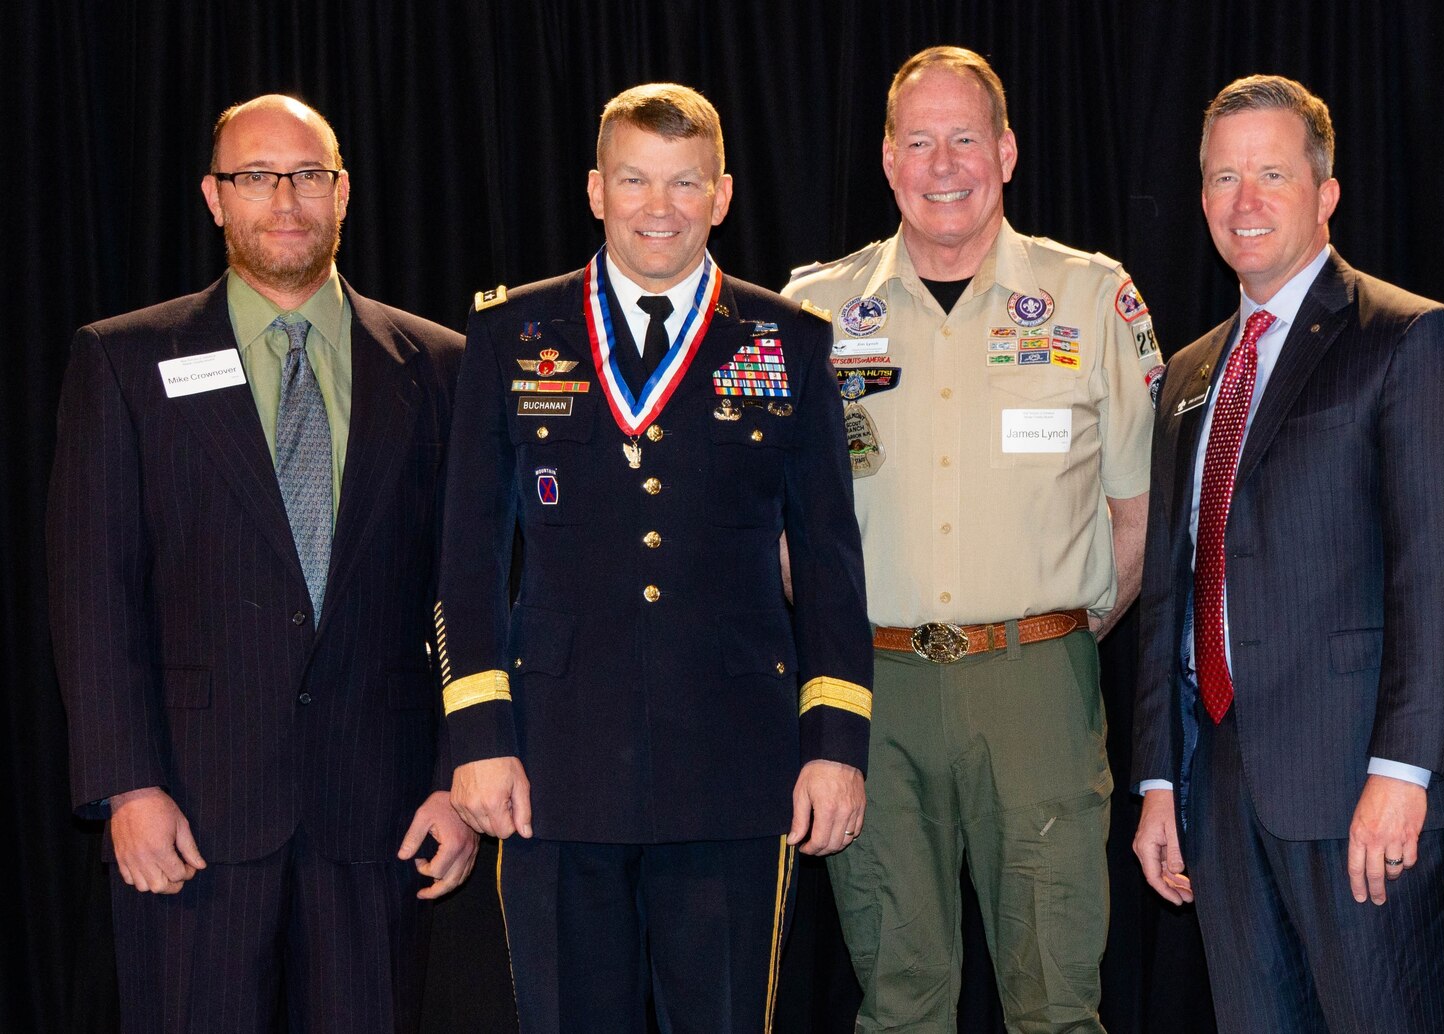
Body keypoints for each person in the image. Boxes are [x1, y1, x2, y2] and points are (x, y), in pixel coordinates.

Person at [435, 83, 871, 1033]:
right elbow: (468, 557)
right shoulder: (515, 334)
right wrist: (478, 739)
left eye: (685, 182)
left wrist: (836, 747)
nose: (659, 207)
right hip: (555, 763)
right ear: (596, 190)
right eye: (635, 179)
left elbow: (832, 564)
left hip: (734, 763)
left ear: (722, 194)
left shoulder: (789, 341)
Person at [46, 94, 474, 1033]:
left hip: (385, 813)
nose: (284, 198)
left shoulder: (441, 367)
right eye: (254, 176)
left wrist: (458, 774)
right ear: (214, 197)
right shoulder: (124, 363)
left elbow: (469, 589)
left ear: (343, 192)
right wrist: (128, 784)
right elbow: (92, 589)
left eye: (308, 174)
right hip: (191, 813)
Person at [783, 45, 1161, 1032]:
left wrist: (1061, 633)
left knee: (1055, 995)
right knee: (898, 993)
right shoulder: (814, 309)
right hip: (876, 684)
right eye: (919, 141)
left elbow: (1137, 514)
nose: (943, 163)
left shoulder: (1090, 297)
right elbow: (771, 514)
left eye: (964, 138)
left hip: (1035, 676)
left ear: (1007, 150)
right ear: (886, 159)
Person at [1130, 75, 1444, 1034]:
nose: (1244, 202)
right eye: (1222, 178)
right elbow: (1173, 592)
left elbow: (1441, 577)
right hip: (1222, 789)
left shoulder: (1411, 338)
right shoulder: (1191, 374)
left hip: (1362, 791)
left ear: (1326, 193)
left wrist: (1402, 773)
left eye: (1272, 174)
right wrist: (1161, 780)